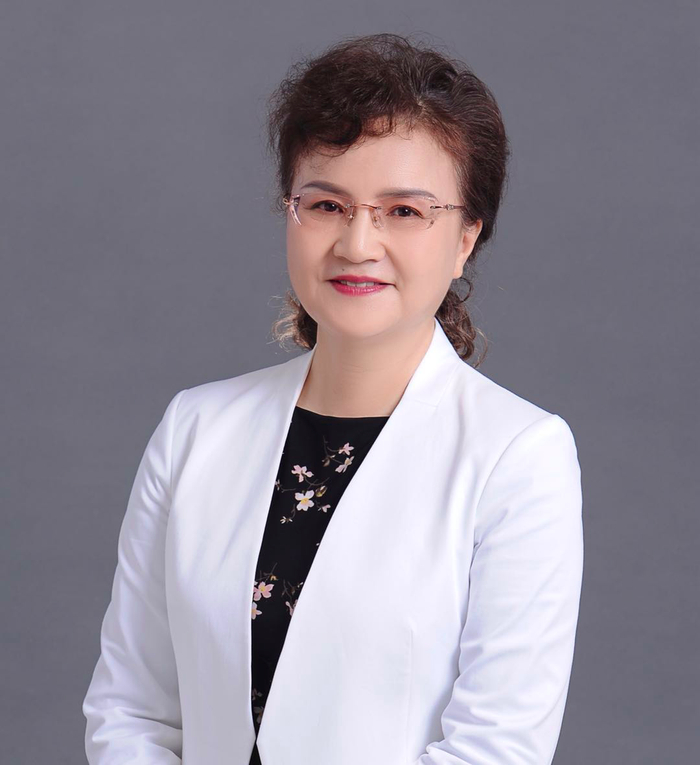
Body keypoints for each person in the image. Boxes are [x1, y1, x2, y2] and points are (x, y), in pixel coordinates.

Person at [82, 32, 584, 765]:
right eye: (326, 204)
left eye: (403, 211)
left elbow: (495, 749)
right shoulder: (196, 428)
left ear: (466, 238)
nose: (356, 243)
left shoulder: (519, 456)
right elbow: (131, 709)